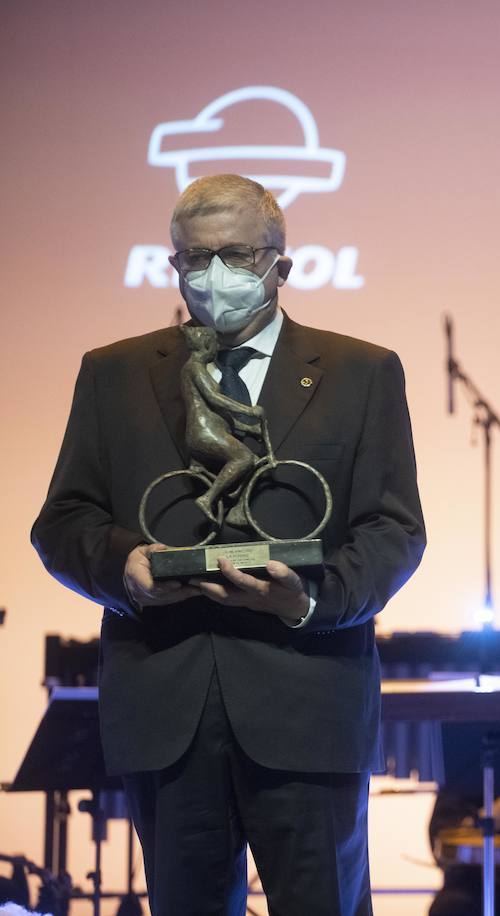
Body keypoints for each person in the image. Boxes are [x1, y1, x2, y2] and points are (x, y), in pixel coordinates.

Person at [32, 174, 426, 914]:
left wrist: (311, 598)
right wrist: (124, 568)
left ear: (284, 262)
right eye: (193, 258)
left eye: (237, 255)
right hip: (167, 706)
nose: (214, 275)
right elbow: (62, 522)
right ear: (174, 264)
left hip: (308, 702)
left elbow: (394, 529)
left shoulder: (361, 371)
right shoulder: (112, 373)